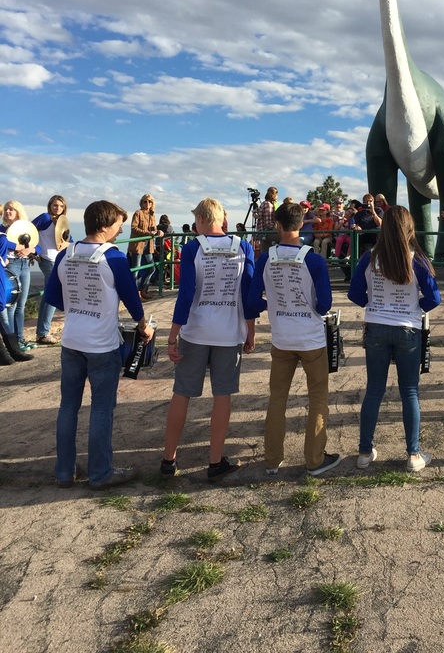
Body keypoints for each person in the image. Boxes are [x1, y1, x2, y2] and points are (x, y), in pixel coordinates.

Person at [44, 200, 150, 489]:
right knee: (102, 408)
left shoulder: (67, 254)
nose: (120, 230)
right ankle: (100, 472)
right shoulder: (114, 258)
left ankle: (64, 471)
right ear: (104, 226)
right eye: (118, 224)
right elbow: (131, 299)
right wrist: (144, 327)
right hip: (101, 344)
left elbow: (52, 296)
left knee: (68, 406)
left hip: (72, 340)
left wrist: (79, 308)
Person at [161, 198, 257, 481]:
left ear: (202, 219)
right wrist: (250, 332)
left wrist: (172, 336)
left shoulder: (193, 248)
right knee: (222, 395)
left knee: (182, 393)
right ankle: (215, 462)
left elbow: (186, 293)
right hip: (229, 333)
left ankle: (169, 460)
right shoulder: (242, 246)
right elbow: (248, 294)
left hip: (196, 331)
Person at [248, 202, 339, 477]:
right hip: (310, 338)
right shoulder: (313, 259)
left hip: (282, 338)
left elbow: (252, 300)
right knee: (317, 398)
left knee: (277, 398)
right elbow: (324, 304)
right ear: (302, 225)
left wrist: (272, 307)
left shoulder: (265, 258)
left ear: (277, 225)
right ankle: (314, 460)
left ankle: (272, 459)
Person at [348, 205, 441, 472]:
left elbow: (355, 294)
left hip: (376, 327)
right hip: (408, 330)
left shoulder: (369, 257)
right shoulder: (417, 259)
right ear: (409, 228)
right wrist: (414, 308)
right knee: (409, 391)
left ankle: (364, 452)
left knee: (374, 390)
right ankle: (413, 455)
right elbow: (434, 298)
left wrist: (375, 305)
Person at [33, 194, 72, 344]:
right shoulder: (44, 218)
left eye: (61, 206)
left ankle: (41, 333)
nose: (58, 208)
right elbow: (28, 231)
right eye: (55, 205)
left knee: (48, 296)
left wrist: (65, 244)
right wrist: (34, 250)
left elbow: (70, 241)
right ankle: (43, 333)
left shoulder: (63, 222)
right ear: (50, 205)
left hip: (57, 260)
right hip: (46, 259)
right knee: (53, 291)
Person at [1, 200, 39, 352]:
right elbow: (2, 241)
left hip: (24, 266)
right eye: (6, 209)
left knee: (21, 306)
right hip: (11, 266)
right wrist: (17, 246)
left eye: (12, 209)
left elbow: (38, 246)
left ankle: (20, 339)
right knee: (11, 305)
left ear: (18, 212)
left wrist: (31, 250)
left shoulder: (26, 229)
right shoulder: (2, 229)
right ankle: (13, 344)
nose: (8, 212)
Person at [128, 194, 164, 299]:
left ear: (152, 203)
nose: (147, 204)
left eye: (150, 202)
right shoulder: (137, 213)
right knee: (136, 270)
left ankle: (142, 289)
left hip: (149, 245)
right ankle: (134, 294)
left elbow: (154, 229)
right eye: (145, 201)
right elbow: (134, 228)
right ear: (141, 202)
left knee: (151, 268)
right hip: (138, 245)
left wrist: (158, 231)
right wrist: (148, 233)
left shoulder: (152, 215)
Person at [256, 187, 279, 254]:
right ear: (272, 194)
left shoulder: (267, 203)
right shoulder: (268, 204)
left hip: (265, 231)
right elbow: (268, 223)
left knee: (266, 253)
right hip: (266, 231)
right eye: (276, 193)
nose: (277, 196)